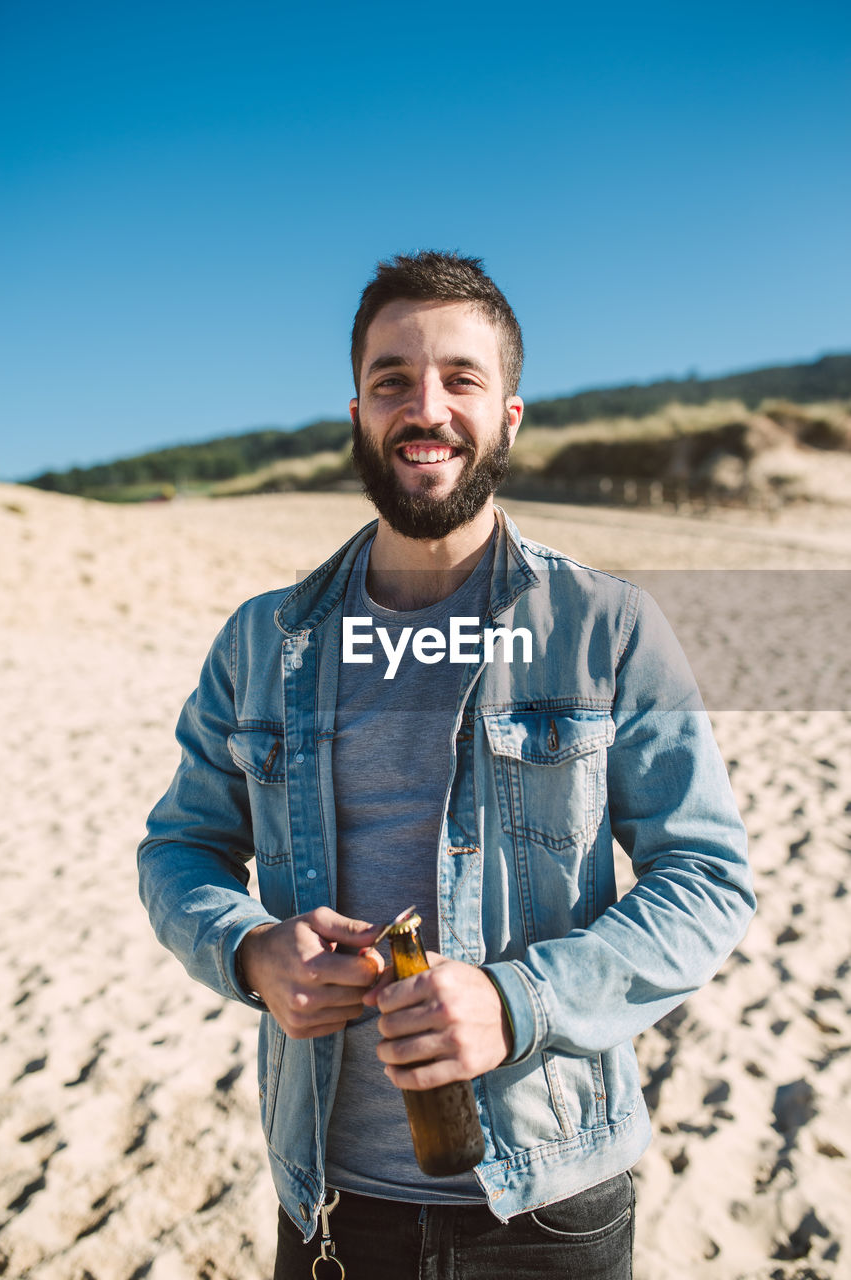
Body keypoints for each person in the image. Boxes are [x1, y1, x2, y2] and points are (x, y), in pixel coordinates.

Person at [138, 251, 755, 1278]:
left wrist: (520, 1002)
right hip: (329, 1196)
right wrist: (250, 951)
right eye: (392, 380)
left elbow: (705, 878)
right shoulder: (261, 641)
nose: (424, 408)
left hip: (550, 1205)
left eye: (459, 378)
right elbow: (180, 847)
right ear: (356, 413)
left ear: (508, 414)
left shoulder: (605, 627)